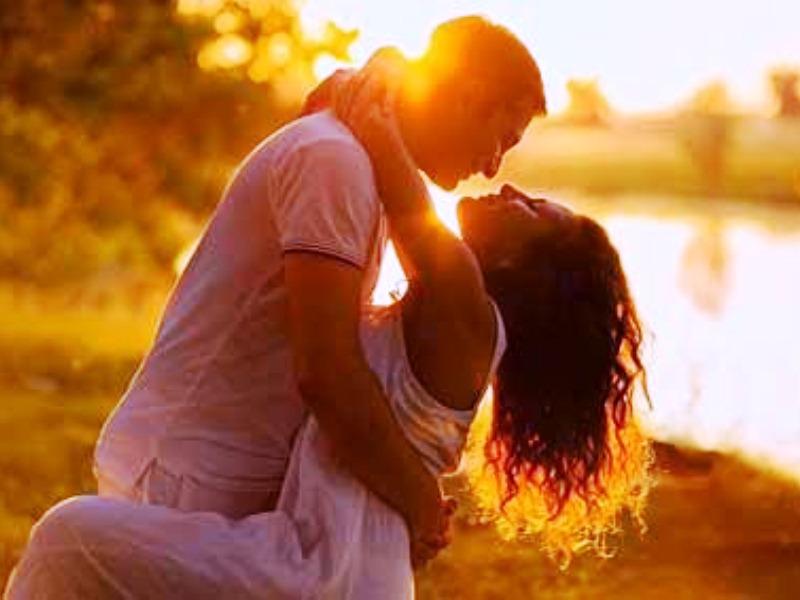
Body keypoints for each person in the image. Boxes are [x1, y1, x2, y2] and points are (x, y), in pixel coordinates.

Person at [5, 51, 649, 600]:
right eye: (504, 146)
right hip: (333, 558)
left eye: (531, 209)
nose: (506, 185)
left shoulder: (460, 297)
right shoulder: (451, 308)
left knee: (68, 540)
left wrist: (376, 83)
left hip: (325, 569)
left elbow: (387, 156)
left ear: (531, 269)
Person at [91, 14, 546, 566]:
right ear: (470, 96)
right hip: (186, 470)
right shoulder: (335, 161)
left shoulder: (367, 164)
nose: (493, 167)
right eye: (503, 138)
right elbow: (327, 370)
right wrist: (418, 500)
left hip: (227, 471)